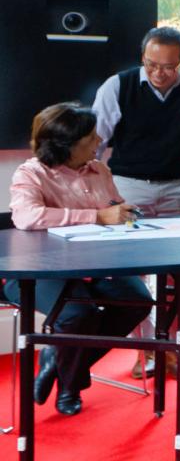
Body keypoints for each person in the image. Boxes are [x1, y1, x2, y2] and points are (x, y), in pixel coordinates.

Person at [6, 103, 153, 416]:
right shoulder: (31, 172)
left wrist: (126, 214)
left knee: (139, 301)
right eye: (91, 137)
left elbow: (115, 207)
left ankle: (56, 360)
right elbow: (27, 216)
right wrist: (97, 216)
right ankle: (70, 387)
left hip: (97, 263)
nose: (100, 140)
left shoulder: (99, 169)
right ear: (67, 145)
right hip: (41, 269)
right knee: (77, 315)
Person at [91, 26, 180, 216]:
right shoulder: (117, 86)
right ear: (143, 56)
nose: (158, 73)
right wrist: (92, 190)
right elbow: (94, 142)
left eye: (168, 67)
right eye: (151, 64)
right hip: (128, 188)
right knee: (126, 245)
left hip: (179, 188)